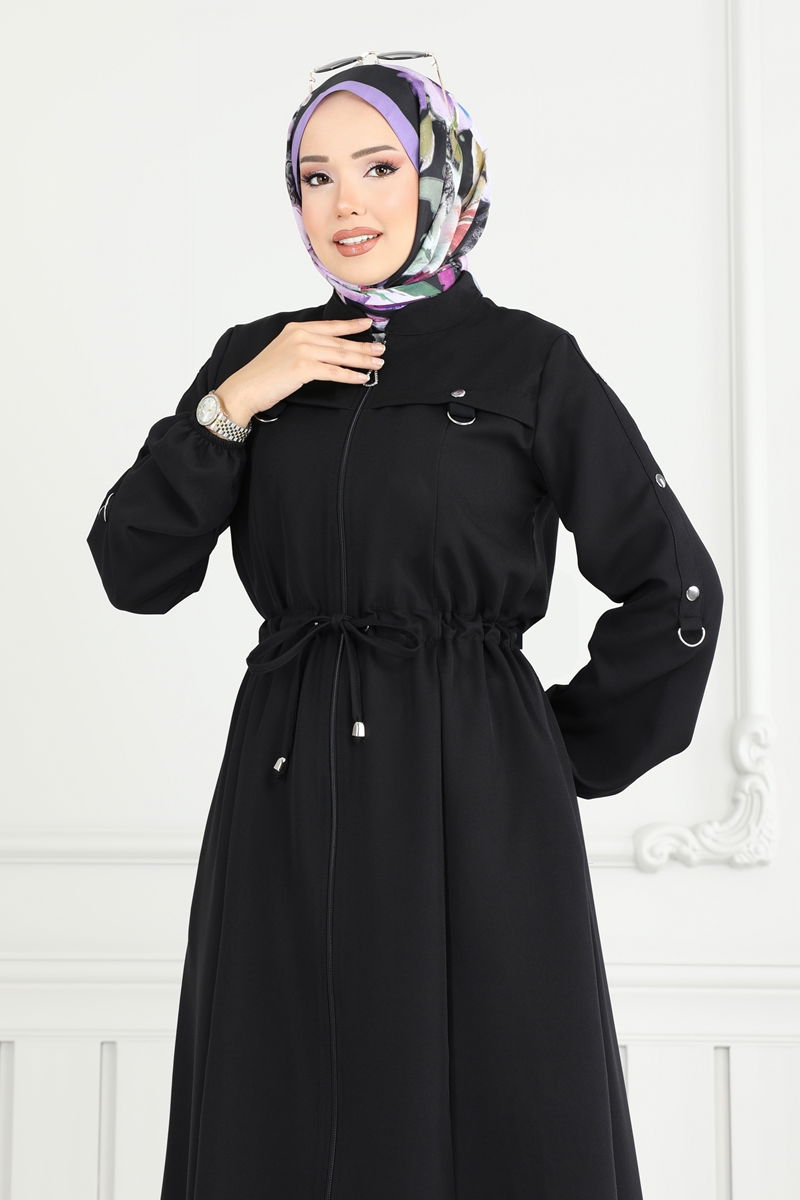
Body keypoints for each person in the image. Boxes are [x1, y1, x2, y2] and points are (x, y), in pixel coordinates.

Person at [86, 55, 723, 1200]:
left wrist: (545, 753)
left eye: (377, 167)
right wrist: (233, 404)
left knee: (495, 1102)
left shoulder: (528, 361)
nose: (345, 203)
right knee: (286, 1102)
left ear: (440, 179)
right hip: (287, 788)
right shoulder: (257, 357)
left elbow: (674, 591)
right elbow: (135, 568)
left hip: (473, 792)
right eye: (314, 176)